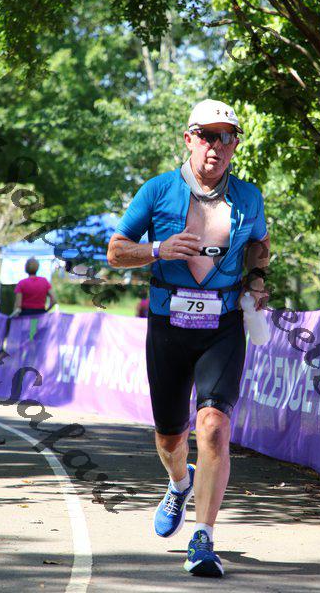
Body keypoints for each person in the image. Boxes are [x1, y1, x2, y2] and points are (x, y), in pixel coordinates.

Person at [107, 99, 270, 578]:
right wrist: (158, 249)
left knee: (214, 426)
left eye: (226, 136)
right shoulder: (157, 190)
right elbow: (115, 252)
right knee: (169, 437)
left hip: (222, 327)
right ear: (188, 139)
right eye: (206, 135)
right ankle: (180, 482)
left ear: (235, 145)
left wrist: (258, 280)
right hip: (168, 327)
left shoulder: (249, 197)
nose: (215, 145)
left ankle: (204, 538)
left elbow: (259, 245)